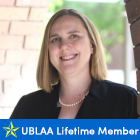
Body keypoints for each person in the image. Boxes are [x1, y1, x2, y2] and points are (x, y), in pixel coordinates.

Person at [10, 9, 138, 119]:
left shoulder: (125, 100)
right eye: (55, 39)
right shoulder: (28, 105)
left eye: (73, 36)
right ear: (48, 51)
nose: (64, 46)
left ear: (92, 45)